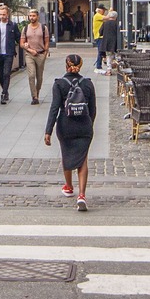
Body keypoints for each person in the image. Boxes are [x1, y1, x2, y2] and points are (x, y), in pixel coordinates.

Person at [44, 53, 97, 212]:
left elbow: (54, 109)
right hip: (84, 126)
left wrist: (48, 131)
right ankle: (82, 195)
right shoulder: (88, 84)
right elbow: (93, 110)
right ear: (80, 65)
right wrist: (89, 125)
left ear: (66, 66)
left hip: (65, 125)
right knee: (83, 160)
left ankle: (68, 186)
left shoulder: (59, 84)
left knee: (66, 154)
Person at [20, 8, 51, 105]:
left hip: (40, 54)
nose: (32, 17)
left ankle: (37, 93)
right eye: (30, 16)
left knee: (39, 77)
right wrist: (29, 49)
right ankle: (34, 96)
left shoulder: (43, 28)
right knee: (31, 75)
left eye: (33, 16)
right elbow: (21, 43)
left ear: (37, 17)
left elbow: (46, 41)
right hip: (29, 55)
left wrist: (45, 53)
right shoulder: (25, 28)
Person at [97, 10, 120, 74]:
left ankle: (109, 69)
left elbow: (100, 32)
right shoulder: (117, 24)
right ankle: (119, 68)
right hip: (115, 42)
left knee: (109, 55)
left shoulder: (105, 23)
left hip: (107, 42)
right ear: (116, 17)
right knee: (117, 55)